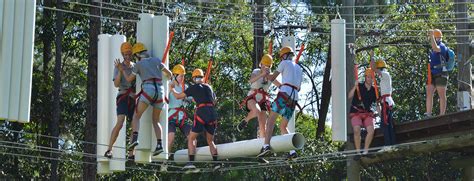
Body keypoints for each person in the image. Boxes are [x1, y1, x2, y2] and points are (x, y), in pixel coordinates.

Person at [124, 42, 172, 156]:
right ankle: (160, 144)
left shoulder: (138, 64)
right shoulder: (156, 60)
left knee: (136, 116)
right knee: (155, 120)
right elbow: (169, 74)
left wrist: (122, 71)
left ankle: (135, 138)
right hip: (160, 91)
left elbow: (130, 79)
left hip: (148, 90)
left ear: (137, 55)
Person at [257, 47, 302, 160]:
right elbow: (299, 88)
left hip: (284, 94)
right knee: (283, 126)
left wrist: (265, 73)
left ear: (283, 56)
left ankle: (266, 146)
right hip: (294, 97)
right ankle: (292, 151)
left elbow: (272, 77)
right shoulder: (299, 68)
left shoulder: (283, 63)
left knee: (271, 121)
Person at [170, 68, 219, 170]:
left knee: (192, 138)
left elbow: (178, 96)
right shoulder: (209, 87)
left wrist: (172, 89)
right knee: (210, 140)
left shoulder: (193, 87)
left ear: (193, 78)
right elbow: (214, 101)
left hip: (202, 112)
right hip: (212, 113)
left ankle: (191, 162)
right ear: (202, 77)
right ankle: (216, 163)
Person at [104, 42, 136, 159]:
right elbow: (116, 84)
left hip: (133, 97)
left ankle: (131, 153)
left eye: (129, 54)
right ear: (122, 54)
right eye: (125, 54)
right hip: (123, 95)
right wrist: (120, 71)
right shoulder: (118, 67)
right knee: (120, 122)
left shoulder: (135, 66)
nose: (127, 56)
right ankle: (109, 149)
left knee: (134, 125)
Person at [237, 54, 280, 138]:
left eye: (268, 66)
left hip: (263, 100)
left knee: (263, 125)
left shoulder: (271, 76)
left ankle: (263, 145)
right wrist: (262, 74)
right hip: (253, 97)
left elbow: (280, 85)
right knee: (256, 110)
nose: (266, 67)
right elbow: (251, 81)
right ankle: (245, 120)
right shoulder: (256, 71)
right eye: (264, 65)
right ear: (261, 64)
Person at [348, 68, 377, 155]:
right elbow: (349, 96)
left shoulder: (374, 91)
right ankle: (358, 152)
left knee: (371, 130)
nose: (370, 79)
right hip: (356, 112)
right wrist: (354, 86)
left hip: (367, 113)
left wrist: (379, 114)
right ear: (365, 78)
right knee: (356, 130)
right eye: (368, 77)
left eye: (371, 77)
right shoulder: (359, 87)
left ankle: (365, 150)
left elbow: (376, 104)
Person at [370, 51, 396, 146]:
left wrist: (372, 57)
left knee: (385, 124)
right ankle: (390, 144)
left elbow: (373, 68)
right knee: (387, 124)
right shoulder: (384, 77)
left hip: (386, 102)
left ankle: (389, 144)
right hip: (385, 102)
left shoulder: (385, 74)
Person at [168, 64, 192, 154]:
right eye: (181, 76)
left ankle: (191, 162)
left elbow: (191, 99)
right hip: (171, 115)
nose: (182, 78)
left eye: (183, 76)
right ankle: (164, 162)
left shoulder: (184, 87)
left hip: (182, 117)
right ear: (175, 75)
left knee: (192, 137)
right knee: (171, 137)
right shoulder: (169, 85)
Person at [425, 29, 449, 117]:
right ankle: (428, 114)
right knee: (429, 92)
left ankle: (442, 114)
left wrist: (431, 36)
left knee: (441, 94)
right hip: (432, 73)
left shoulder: (442, 46)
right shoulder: (431, 48)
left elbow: (436, 48)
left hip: (441, 73)